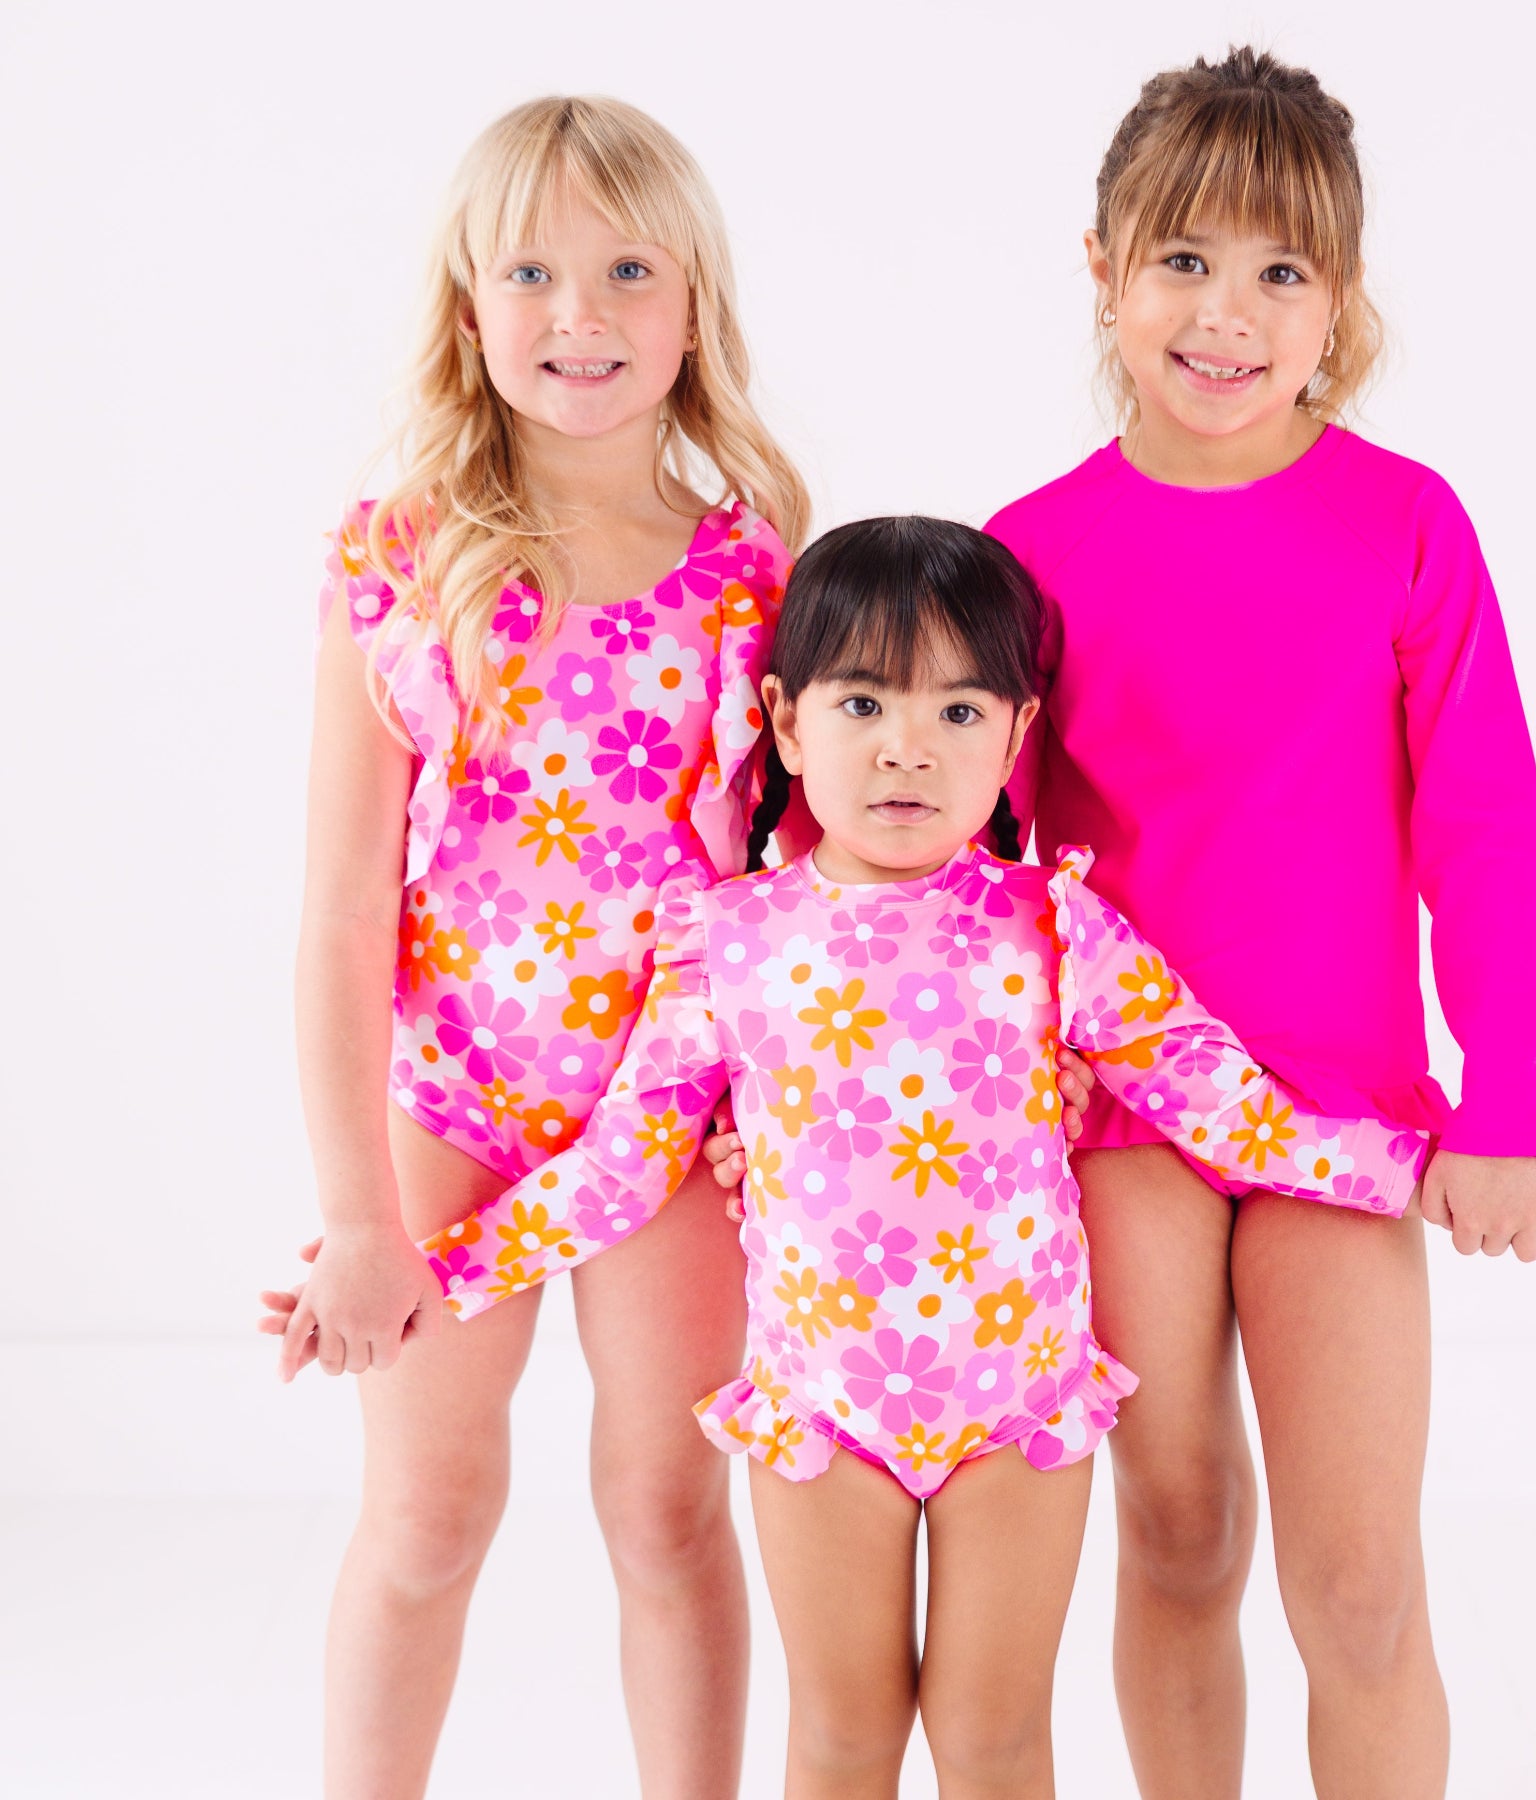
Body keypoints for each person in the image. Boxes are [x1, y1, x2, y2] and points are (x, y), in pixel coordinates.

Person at [429, 516, 1434, 1798]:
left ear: (1017, 742)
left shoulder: (1055, 928)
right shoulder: (725, 943)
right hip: (824, 1405)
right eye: (863, 703)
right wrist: (445, 1268)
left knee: (993, 1735)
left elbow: (1217, 1097)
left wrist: (1413, 1169)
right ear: (786, 724)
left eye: (960, 713)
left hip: (1014, 1403)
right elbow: (622, 1164)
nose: (908, 746)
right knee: (843, 1734)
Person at [973, 46, 1536, 1799]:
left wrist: (1511, 1106)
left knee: (1360, 1585)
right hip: (1126, 1115)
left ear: (1340, 297)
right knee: (1177, 1538)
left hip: (1342, 1105)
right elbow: (967, 856)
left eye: (1279, 270)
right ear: (1104, 270)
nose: (1227, 314)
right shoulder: (1028, 553)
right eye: (1184, 261)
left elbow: (1484, 824)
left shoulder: (1404, 524)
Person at [258, 94, 808, 1800]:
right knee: (427, 1515)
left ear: (694, 306)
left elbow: (795, 880)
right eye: (532, 274)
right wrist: (361, 1217)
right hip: (456, 1109)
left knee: (667, 1511)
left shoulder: (749, 571)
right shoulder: (405, 554)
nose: (581, 314)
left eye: (629, 271)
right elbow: (342, 909)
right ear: (470, 305)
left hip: (673, 1127)